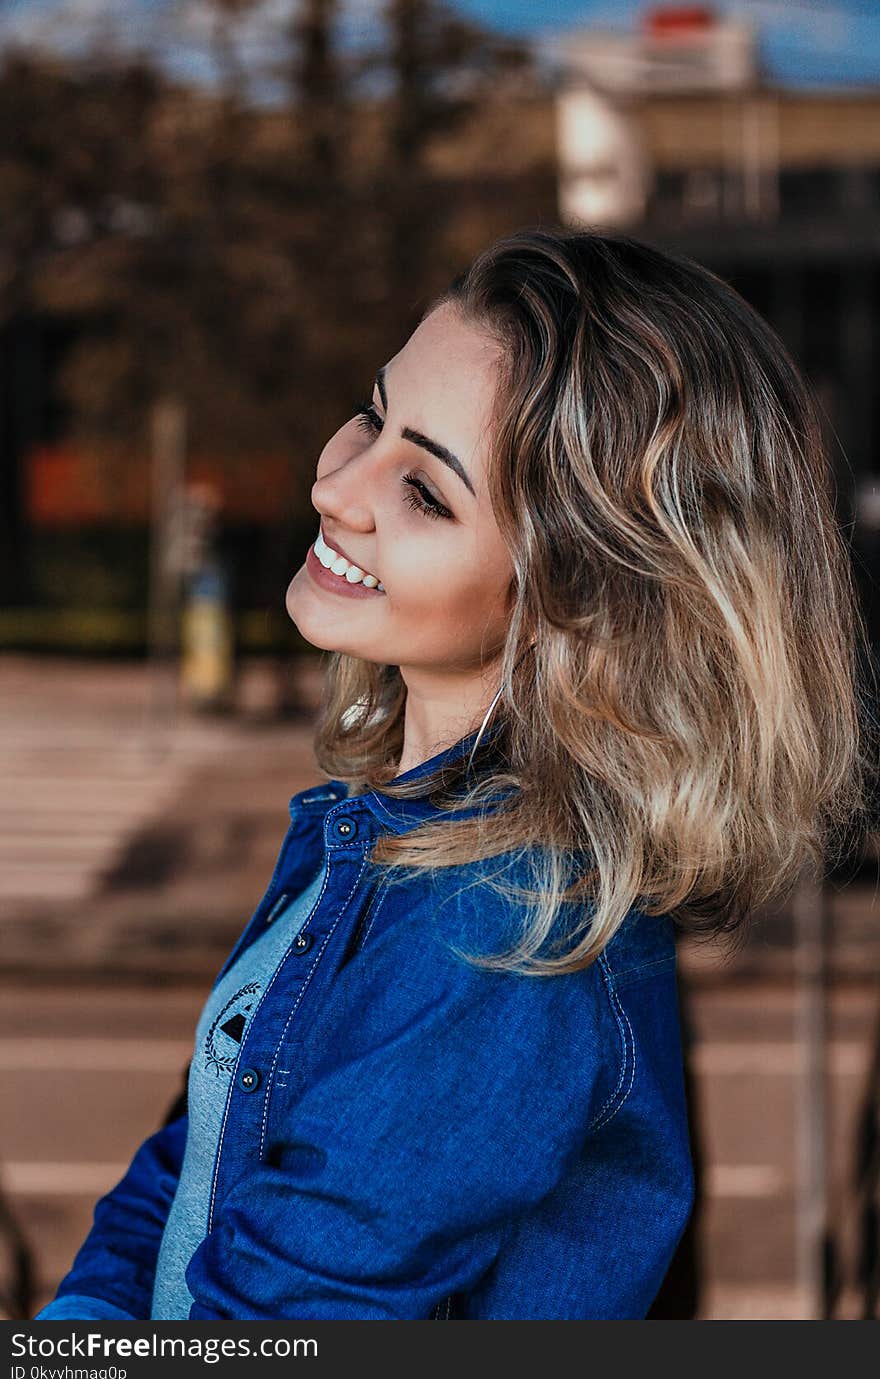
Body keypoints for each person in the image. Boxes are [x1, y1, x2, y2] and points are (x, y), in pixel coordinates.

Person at [34, 227, 873, 1320]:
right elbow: (189, 1165)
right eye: (374, 415)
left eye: (426, 491)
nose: (337, 484)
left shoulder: (504, 929)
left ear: (580, 597)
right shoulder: (389, 841)